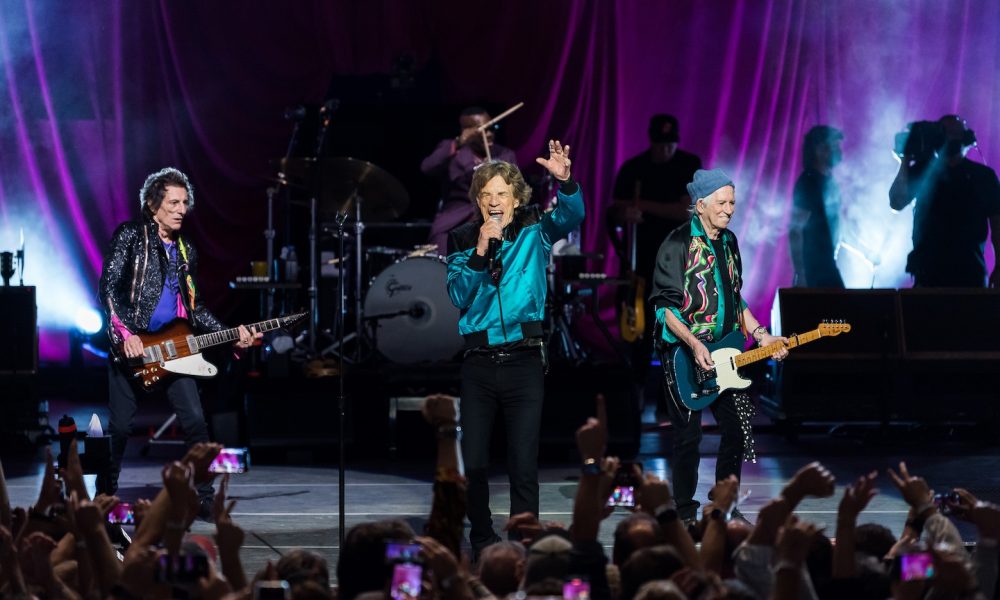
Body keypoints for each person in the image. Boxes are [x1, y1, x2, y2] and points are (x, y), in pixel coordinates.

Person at [446, 140, 583, 557]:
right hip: (479, 364)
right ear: (477, 200)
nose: (493, 201)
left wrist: (567, 183)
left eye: (502, 193)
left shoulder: (534, 228)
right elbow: (457, 295)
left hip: (524, 359)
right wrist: (480, 251)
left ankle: (524, 538)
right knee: (475, 461)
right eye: (486, 194)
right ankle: (482, 537)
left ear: (516, 197)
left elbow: (571, 215)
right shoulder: (463, 238)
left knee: (523, 462)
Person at [97, 167, 259, 515]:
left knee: (196, 423)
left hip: (176, 350)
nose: (181, 209)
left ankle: (202, 497)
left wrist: (232, 336)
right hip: (132, 351)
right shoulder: (130, 236)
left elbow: (195, 307)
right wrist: (127, 335)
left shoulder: (186, 250)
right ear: (154, 205)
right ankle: (104, 496)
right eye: (173, 202)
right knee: (121, 429)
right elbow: (109, 290)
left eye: (185, 202)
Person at [648, 168, 788, 525]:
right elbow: (664, 308)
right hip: (683, 351)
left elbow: (735, 300)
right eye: (722, 203)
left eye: (732, 203)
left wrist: (761, 336)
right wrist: (695, 344)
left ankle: (725, 503)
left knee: (738, 428)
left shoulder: (729, 242)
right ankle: (684, 514)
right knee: (688, 437)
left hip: (726, 351)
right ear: (700, 205)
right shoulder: (677, 243)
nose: (729, 209)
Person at [607, 114, 702, 410]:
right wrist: (626, 215)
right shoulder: (634, 168)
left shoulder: (689, 165)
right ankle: (633, 395)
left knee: (677, 328)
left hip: (680, 261)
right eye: (660, 144)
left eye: (670, 144)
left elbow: (687, 212)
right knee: (639, 331)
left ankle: (673, 396)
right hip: (642, 261)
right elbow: (615, 212)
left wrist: (643, 206)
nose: (665, 150)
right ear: (651, 142)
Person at [889, 114, 1000, 287]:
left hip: (970, 273)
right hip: (928, 273)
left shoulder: (983, 176)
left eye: (955, 132)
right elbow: (896, 202)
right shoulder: (922, 171)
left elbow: (997, 225)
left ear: (966, 138)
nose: (950, 137)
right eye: (945, 132)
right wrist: (904, 161)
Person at [422, 106, 518, 254]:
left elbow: (515, 191)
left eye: (491, 128)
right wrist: (459, 142)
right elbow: (427, 167)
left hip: (494, 224)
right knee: (442, 264)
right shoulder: (453, 150)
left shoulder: (505, 155)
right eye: (483, 130)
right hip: (455, 223)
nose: (489, 134)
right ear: (468, 131)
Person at [789, 125, 845, 288]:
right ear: (819, 150)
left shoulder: (829, 183)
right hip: (814, 271)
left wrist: (866, 252)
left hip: (827, 266)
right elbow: (795, 230)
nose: (839, 150)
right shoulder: (808, 182)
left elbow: (837, 226)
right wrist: (800, 273)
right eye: (834, 146)